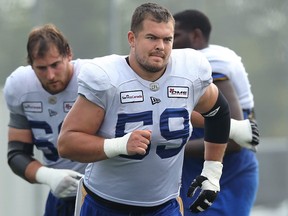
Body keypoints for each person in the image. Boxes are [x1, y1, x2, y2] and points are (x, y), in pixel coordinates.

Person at [57, 2, 231, 216]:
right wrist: (119, 145)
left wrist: (212, 172)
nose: (161, 46)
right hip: (105, 204)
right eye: (152, 38)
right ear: (132, 39)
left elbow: (218, 112)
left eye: (167, 39)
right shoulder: (107, 79)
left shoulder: (188, 73)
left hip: (164, 206)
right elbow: (67, 143)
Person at [173, 9, 259, 216]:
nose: (167, 43)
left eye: (173, 36)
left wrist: (171, 147)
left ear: (195, 35)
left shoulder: (211, 65)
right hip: (193, 169)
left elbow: (233, 141)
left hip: (227, 171)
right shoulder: (177, 64)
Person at [3, 23, 87, 216]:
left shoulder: (90, 77)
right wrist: (49, 177)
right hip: (60, 194)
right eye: (41, 68)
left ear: (68, 54)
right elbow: (17, 154)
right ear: (31, 65)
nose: (50, 75)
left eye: (55, 65)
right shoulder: (20, 86)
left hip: (103, 193)